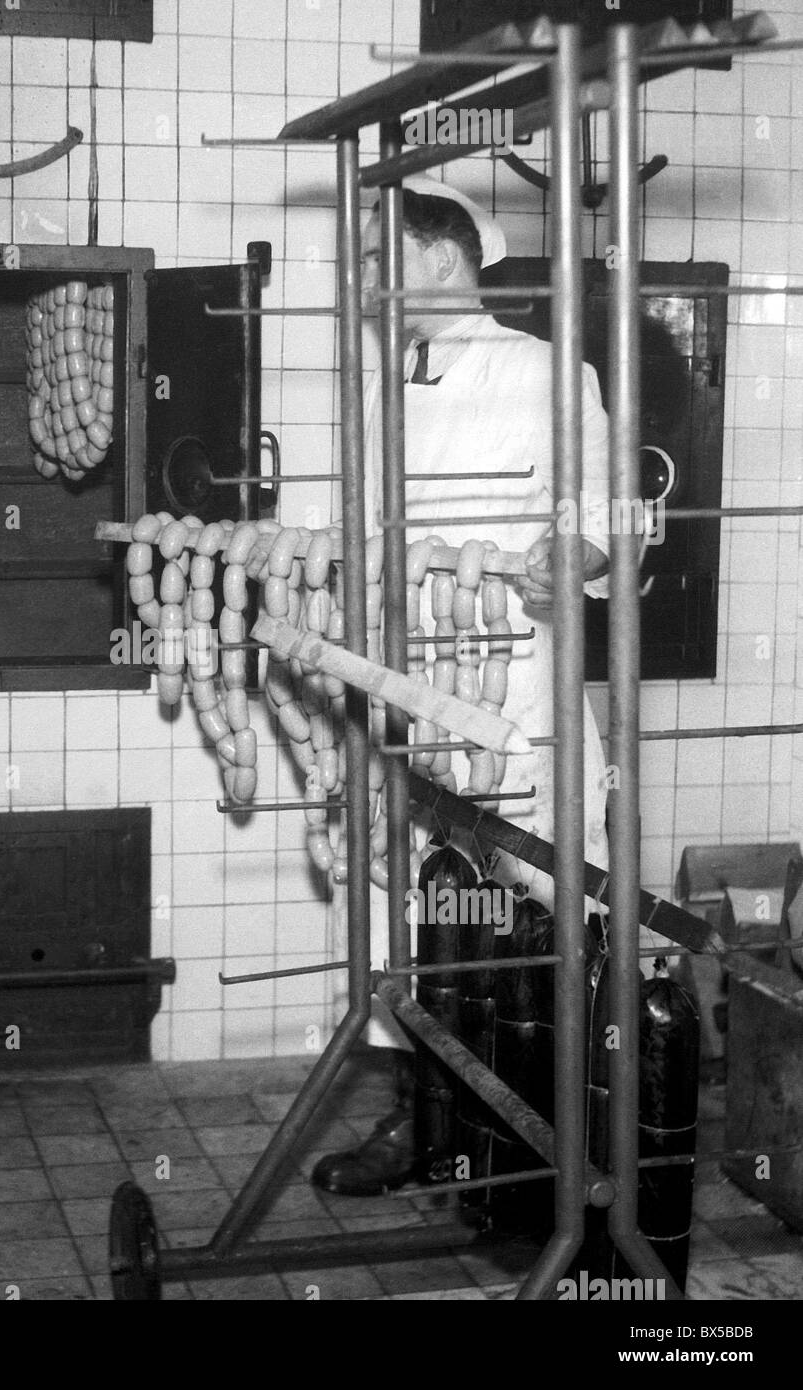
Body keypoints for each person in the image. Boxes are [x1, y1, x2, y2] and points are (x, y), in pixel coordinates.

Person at [311, 177, 613, 1196]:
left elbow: (600, 523)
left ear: (437, 259)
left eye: (372, 254)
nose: (358, 276)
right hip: (409, 693)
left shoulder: (544, 372)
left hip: (513, 696)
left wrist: (559, 558)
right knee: (411, 905)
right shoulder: (385, 382)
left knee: (535, 903)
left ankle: (547, 1139)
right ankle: (419, 1119)